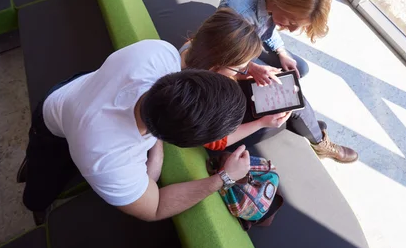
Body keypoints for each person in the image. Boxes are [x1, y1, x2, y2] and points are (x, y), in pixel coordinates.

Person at [18, 39, 251, 223]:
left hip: (77, 89)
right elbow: (156, 206)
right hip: (51, 126)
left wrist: (155, 149)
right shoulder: (108, 159)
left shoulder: (159, 52)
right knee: (42, 184)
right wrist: (224, 178)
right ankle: (34, 195)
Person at [181, 8, 358, 162]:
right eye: (239, 68)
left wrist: (251, 72)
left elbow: (228, 72)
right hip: (224, 125)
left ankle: (314, 132)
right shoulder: (197, 100)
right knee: (289, 108)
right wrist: (262, 123)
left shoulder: (193, 49)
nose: (243, 71)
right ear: (217, 66)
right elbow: (216, 142)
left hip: (224, 99)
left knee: (284, 92)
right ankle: (320, 143)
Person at [220, 0, 330, 85]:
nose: (292, 30)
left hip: (252, 38)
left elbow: (265, 28)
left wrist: (281, 52)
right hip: (229, 47)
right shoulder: (239, 13)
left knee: (300, 68)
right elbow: (224, 53)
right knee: (270, 80)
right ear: (283, 2)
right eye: (292, 22)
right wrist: (251, 68)